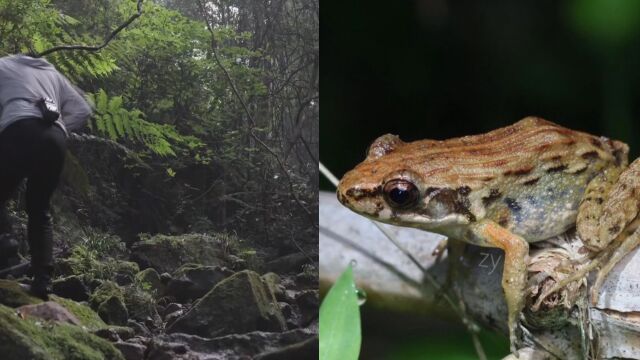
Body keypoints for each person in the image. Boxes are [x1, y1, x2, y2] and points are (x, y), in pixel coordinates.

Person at [0, 54, 92, 299]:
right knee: (39, 209)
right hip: (55, 139)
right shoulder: (53, 74)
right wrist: (62, 128)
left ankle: (6, 253)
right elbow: (83, 110)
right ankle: (42, 282)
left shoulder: (2, 65)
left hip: (18, 128)